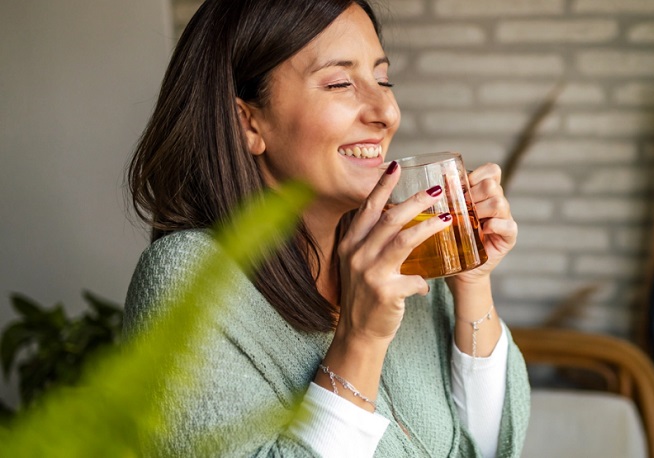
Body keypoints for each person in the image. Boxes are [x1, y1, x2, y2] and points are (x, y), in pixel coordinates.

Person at [123, 0, 530, 456]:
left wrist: (471, 283)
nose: (386, 112)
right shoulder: (188, 280)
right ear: (248, 122)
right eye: (340, 83)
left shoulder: (400, 254)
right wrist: (361, 338)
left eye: (383, 80)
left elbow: (489, 447)